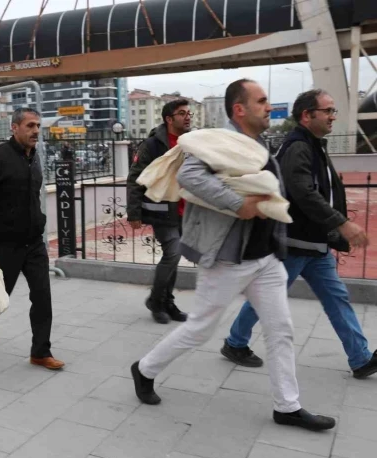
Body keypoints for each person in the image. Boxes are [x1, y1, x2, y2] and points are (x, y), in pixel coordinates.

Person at [131, 79, 335, 431]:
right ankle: (145, 368)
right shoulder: (215, 141)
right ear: (239, 109)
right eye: (262, 101)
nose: (269, 107)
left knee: (280, 329)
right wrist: (237, 203)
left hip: (265, 257)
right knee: (199, 330)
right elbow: (190, 175)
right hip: (229, 257)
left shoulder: (257, 144)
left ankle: (287, 406)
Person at [222, 89, 376, 378]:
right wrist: (341, 223)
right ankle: (235, 342)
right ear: (308, 115)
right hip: (293, 244)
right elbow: (303, 192)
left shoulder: (313, 144)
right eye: (328, 111)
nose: (333, 116)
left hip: (316, 244)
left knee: (337, 298)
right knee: (266, 299)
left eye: (333, 111)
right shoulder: (298, 147)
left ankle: (360, 358)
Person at [0, 107, 64, 371]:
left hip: (34, 243)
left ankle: (40, 352)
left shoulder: (35, 158)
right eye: (30, 126)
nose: (35, 131)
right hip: (5, 243)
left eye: (38, 126)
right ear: (15, 127)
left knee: (42, 296)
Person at [127, 99, 191, 324]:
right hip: (162, 210)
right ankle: (156, 300)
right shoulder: (153, 144)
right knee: (172, 253)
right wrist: (133, 213)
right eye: (182, 113)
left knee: (173, 258)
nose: (187, 117)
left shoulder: (191, 142)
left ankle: (167, 302)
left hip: (186, 209)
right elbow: (135, 177)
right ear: (169, 119)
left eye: (188, 113)